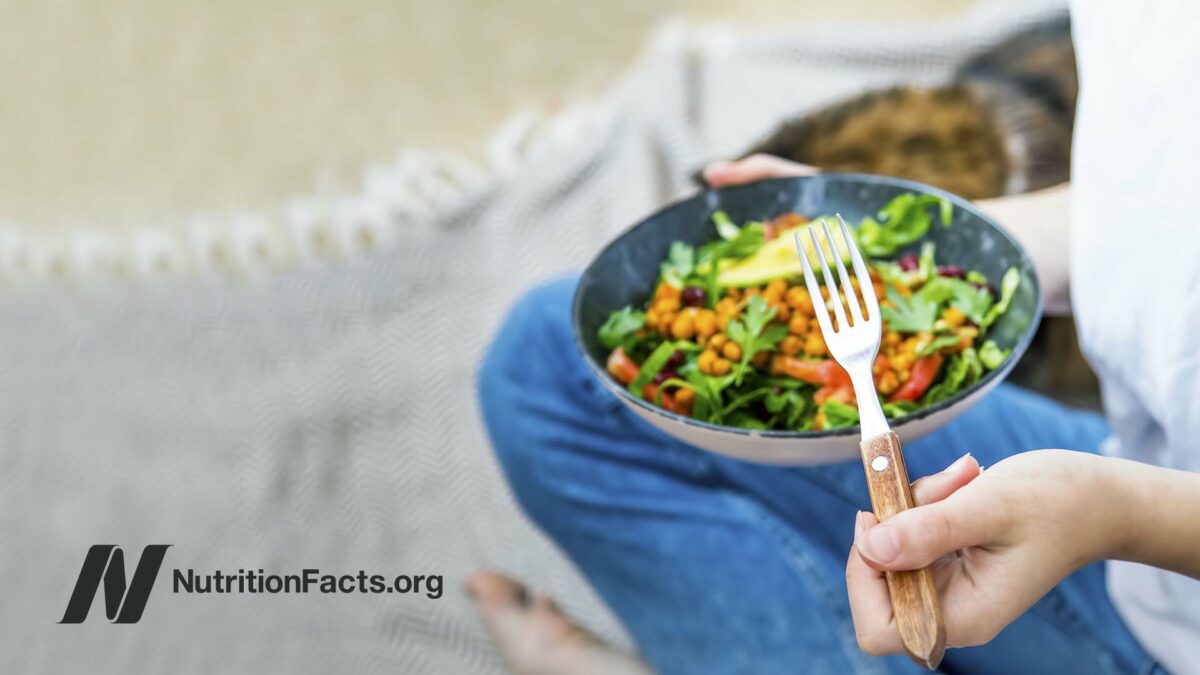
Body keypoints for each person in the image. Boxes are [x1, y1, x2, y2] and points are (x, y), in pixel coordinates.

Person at [468, 2, 1200, 672]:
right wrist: (929, 251)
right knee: (547, 356)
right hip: (1138, 451)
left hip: (1162, 591)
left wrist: (1114, 513)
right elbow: (1165, 200)